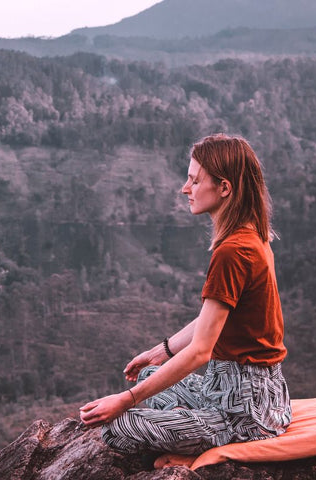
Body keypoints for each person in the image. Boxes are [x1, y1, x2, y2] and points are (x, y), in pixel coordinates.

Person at [80, 133, 292, 458]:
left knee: (117, 428)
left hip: (243, 414)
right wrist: (160, 351)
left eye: (194, 180)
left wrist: (127, 399)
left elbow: (200, 353)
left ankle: (198, 436)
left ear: (224, 188)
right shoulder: (252, 237)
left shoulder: (233, 251)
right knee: (152, 374)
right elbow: (213, 319)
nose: (185, 188)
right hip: (250, 393)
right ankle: (187, 424)